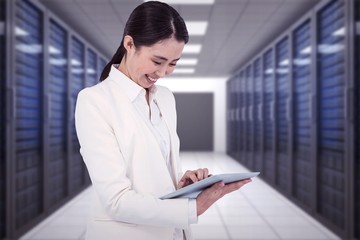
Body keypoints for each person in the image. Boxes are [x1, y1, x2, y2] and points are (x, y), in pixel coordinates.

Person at [75, 1, 252, 240]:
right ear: (129, 44)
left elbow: (155, 173)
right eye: (157, 61)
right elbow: (115, 200)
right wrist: (195, 207)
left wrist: (183, 186)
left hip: (172, 233)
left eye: (173, 64)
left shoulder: (165, 98)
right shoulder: (94, 101)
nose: (162, 72)